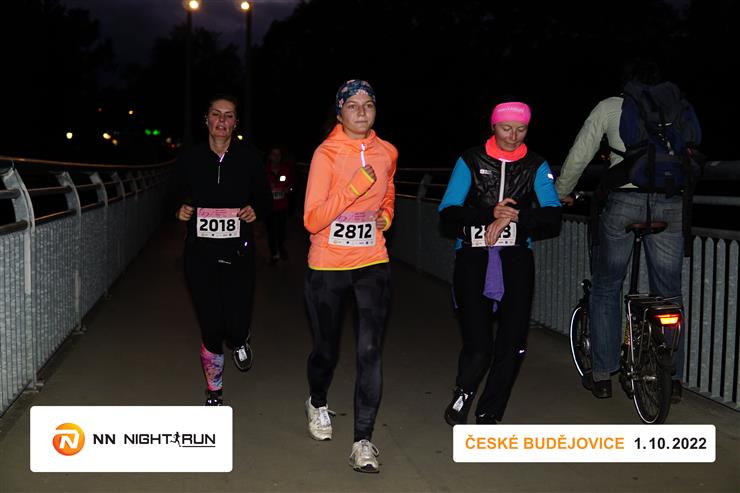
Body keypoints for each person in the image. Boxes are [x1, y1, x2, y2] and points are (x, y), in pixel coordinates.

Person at [555, 60, 700, 401]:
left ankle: (602, 375)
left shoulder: (610, 106)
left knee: (607, 287)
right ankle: (671, 378)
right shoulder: (673, 106)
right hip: (671, 202)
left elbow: (579, 155)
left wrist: (561, 192)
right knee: (669, 293)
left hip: (624, 202)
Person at [439, 100, 561, 425]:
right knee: (479, 343)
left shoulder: (536, 164)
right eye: (506, 128)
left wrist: (515, 216)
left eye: (521, 129)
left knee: (513, 342)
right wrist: (489, 213)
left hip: (516, 259)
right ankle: (464, 390)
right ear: (493, 126)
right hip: (473, 256)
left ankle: (490, 412)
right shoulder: (470, 159)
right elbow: (448, 212)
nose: (513, 136)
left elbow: (553, 214)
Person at [302, 79, 397, 473]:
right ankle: (317, 401)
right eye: (352, 105)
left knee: (369, 351)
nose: (361, 111)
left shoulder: (387, 152)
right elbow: (312, 219)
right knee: (326, 350)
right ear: (339, 113)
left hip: (372, 260)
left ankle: (363, 441)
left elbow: (388, 192)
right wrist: (355, 188)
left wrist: (386, 214)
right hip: (327, 265)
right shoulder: (325, 154)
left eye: (368, 104)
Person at [169, 94, 272, 406]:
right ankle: (214, 391)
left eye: (229, 115)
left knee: (235, 325)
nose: (222, 121)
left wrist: (256, 210)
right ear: (207, 120)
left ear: (235, 123)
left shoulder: (249, 158)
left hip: (238, 254)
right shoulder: (190, 158)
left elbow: (265, 199)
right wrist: (178, 209)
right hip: (199, 255)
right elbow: (170, 195)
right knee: (211, 325)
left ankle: (240, 339)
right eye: (216, 114)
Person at [264, 146, 294, 264]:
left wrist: (288, 189)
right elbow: (259, 188)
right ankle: (274, 254)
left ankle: (281, 248)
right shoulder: (264, 170)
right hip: (269, 208)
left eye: (278, 155)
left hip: (282, 207)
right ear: (270, 156)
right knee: (271, 232)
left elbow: (291, 186)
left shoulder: (286, 170)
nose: (276, 157)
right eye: (274, 154)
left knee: (281, 231)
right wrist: (267, 190)